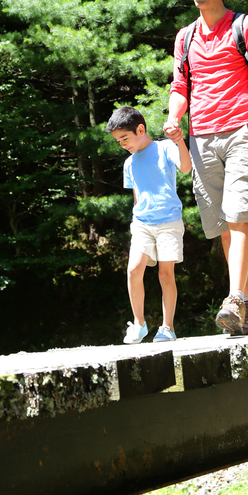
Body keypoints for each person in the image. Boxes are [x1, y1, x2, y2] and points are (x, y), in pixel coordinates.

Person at [163, 0, 248, 336]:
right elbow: (180, 86)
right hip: (201, 137)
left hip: (242, 130)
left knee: (240, 216)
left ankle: (235, 299)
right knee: (223, 225)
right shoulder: (185, 36)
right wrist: (174, 117)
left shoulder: (245, 25)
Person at [106, 106, 192, 343]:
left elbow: (186, 168)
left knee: (166, 274)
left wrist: (180, 142)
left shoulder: (165, 148)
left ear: (140, 129)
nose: (122, 144)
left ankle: (168, 328)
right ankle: (139, 325)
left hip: (168, 222)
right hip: (142, 223)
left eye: (125, 138)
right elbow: (137, 195)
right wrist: (136, 218)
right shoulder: (129, 163)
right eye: (118, 141)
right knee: (133, 270)